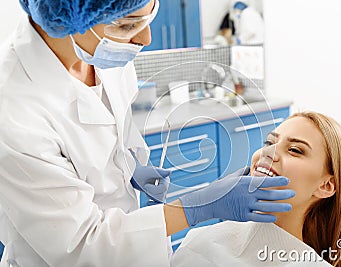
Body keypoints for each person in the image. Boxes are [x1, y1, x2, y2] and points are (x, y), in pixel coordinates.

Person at [0, 0, 296, 266]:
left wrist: (127, 167)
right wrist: (198, 206)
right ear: (71, 21)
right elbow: (82, 248)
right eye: (128, 24)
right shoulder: (13, 108)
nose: (145, 38)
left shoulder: (106, 54)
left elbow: (113, 133)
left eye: (148, 14)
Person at [171, 111, 341, 267]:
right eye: (269, 143)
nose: (268, 152)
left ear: (326, 185)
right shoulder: (205, 239)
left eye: (295, 150)